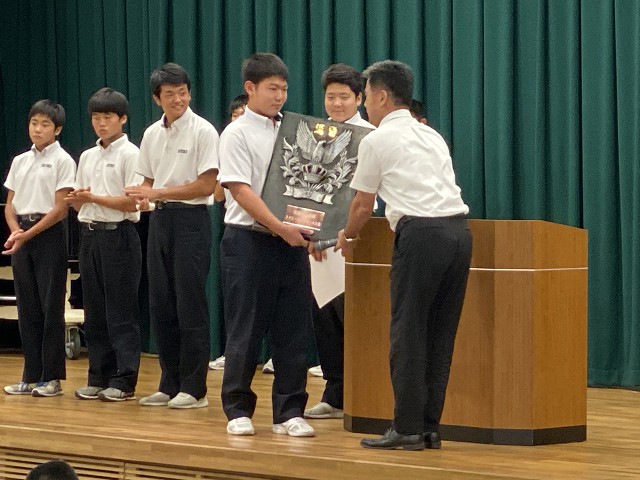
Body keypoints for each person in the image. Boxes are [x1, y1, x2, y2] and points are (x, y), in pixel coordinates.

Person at [335, 60, 472, 450]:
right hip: (459, 234)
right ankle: (429, 427)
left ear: (381, 96)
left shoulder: (376, 140)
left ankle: (406, 428)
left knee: (408, 333)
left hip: (422, 235)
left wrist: (348, 235)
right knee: (440, 334)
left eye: (365, 97)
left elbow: (362, 205)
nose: (365, 105)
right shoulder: (431, 134)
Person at [219, 52, 315, 437]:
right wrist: (279, 227)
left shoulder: (294, 130)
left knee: (293, 328)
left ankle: (290, 412)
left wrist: (313, 227)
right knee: (245, 327)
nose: (279, 96)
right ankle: (237, 409)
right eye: (272, 88)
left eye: (284, 89)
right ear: (250, 88)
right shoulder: (236, 133)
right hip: (248, 241)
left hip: (291, 241)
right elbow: (240, 190)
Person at [123, 62, 219, 409]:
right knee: (161, 303)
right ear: (156, 98)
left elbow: (206, 185)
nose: (178, 99)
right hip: (159, 220)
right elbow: (147, 181)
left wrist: (157, 192)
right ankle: (169, 382)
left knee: (189, 303)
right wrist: (140, 195)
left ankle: (194, 389)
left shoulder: (204, 131)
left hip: (192, 220)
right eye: (170, 94)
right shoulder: (151, 133)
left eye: (183, 92)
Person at [304, 63, 374, 420]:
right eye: (331, 97)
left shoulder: (371, 137)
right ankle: (334, 393)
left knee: (357, 320)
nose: (336, 103)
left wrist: (344, 231)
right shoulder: (316, 136)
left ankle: (365, 394)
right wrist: (310, 233)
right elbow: (306, 190)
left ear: (359, 98)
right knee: (325, 319)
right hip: (319, 243)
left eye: (344, 97)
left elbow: (370, 197)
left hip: (357, 240)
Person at [67, 87, 142, 402]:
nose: (100, 123)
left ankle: (124, 380)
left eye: (107, 117)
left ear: (122, 119)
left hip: (119, 235)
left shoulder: (131, 154)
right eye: (96, 117)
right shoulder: (87, 155)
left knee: (120, 310)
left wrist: (93, 198)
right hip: (90, 235)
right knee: (94, 310)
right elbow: (78, 202)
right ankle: (97, 376)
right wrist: (77, 199)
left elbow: (132, 203)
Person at [3, 100, 76, 397]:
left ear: (57, 129)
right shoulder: (20, 160)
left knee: (50, 307)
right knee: (27, 307)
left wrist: (27, 234)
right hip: (22, 234)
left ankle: (52, 378)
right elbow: (10, 205)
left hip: (49, 235)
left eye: (45, 124)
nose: (38, 129)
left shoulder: (63, 160)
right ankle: (30, 375)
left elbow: (60, 209)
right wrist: (15, 231)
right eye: (34, 123)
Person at [209, 93, 248, 371]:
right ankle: (232, 355)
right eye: (234, 115)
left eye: (242, 114)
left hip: (267, 229)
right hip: (235, 229)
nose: (238, 119)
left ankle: (272, 355)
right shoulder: (228, 145)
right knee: (236, 300)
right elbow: (218, 196)